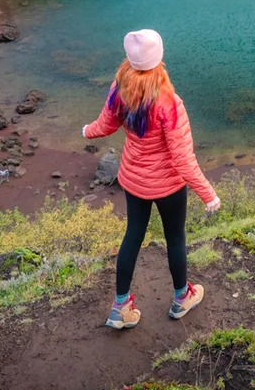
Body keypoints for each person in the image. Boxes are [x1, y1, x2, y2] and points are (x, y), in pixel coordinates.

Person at [83, 28, 221, 330]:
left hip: (133, 178)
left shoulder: (120, 87)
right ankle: (182, 297)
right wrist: (207, 193)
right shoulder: (168, 102)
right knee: (175, 238)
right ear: (159, 58)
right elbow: (182, 158)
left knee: (133, 235)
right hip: (168, 185)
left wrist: (86, 131)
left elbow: (105, 125)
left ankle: (120, 307)